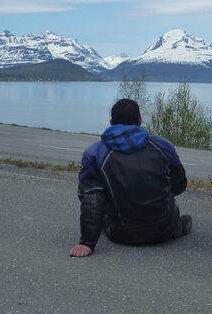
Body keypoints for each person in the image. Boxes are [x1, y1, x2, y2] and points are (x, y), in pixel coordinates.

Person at [69, 98, 192, 257]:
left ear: (111, 122)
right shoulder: (163, 146)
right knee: (172, 207)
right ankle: (177, 226)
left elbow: (92, 197)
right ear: (140, 121)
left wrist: (87, 243)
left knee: (105, 210)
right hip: (163, 230)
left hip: (122, 234)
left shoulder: (95, 153)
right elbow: (179, 186)